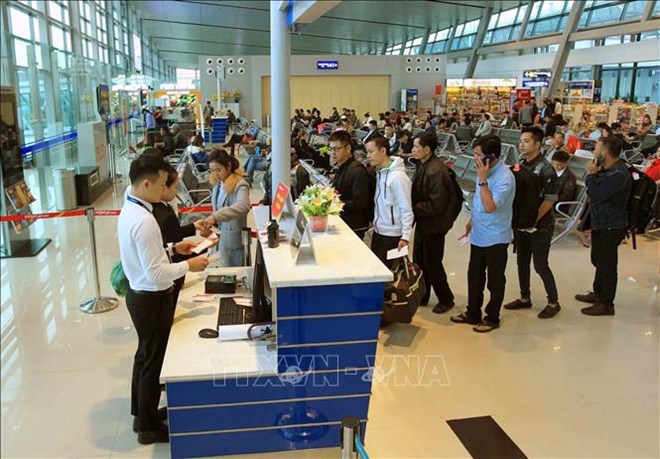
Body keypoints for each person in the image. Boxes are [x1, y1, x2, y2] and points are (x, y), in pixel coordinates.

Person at [118, 154, 209, 445]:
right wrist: (188, 265)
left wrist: (174, 251)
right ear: (145, 183)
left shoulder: (131, 208)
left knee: (144, 357)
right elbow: (157, 274)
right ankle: (148, 428)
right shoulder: (144, 221)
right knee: (152, 363)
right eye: (160, 186)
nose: (163, 193)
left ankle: (142, 414)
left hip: (139, 293)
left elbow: (149, 261)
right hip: (150, 297)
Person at [451, 135, 516, 332]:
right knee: (475, 276)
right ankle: (473, 312)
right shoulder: (484, 172)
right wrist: (472, 221)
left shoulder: (505, 177)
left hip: (496, 236)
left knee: (495, 280)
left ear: (491, 157)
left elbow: (490, 206)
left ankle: (492, 317)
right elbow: (480, 204)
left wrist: (482, 180)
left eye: (478, 155)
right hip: (479, 233)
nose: (474, 159)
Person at [505, 126, 561, 319]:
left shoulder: (546, 169)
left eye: (527, 141)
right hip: (522, 222)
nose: (522, 144)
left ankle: (553, 302)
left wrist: (533, 219)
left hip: (541, 225)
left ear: (537, 144)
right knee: (521, 261)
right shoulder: (520, 163)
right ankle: (524, 297)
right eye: (521, 140)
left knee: (540, 264)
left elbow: (550, 199)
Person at [576, 137, 632, 316]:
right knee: (598, 260)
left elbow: (596, 195)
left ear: (605, 153)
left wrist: (591, 175)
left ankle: (606, 303)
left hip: (612, 225)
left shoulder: (618, 175)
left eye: (597, 149)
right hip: (601, 223)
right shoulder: (607, 170)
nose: (594, 152)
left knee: (607, 265)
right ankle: (598, 294)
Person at [411, 132, 457, 314]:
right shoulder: (425, 165)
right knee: (421, 261)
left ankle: (446, 298)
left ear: (427, 150)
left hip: (434, 225)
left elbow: (437, 203)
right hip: (425, 223)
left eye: (416, 147)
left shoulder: (436, 170)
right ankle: (423, 294)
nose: (413, 150)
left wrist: (414, 208)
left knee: (433, 263)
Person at [152, 165, 210, 306]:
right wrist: (205, 246)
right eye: (175, 187)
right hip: (172, 276)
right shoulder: (165, 216)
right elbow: (175, 252)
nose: (176, 191)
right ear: (163, 187)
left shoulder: (156, 209)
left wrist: (193, 226)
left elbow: (173, 237)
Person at [365, 136, 413, 269]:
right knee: (377, 272)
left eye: (371, 151)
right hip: (379, 231)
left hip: (392, 236)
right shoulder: (380, 173)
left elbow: (406, 209)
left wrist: (405, 237)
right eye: (367, 152)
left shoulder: (398, 177)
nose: (368, 156)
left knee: (389, 276)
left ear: (383, 151)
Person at [200, 149, 250, 267]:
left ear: (228, 166)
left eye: (218, 170)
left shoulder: (240, 184)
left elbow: (243, 205)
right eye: (212, 171)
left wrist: (216, 217)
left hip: (232, 239)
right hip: (219, 239)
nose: (215, 174)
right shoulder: (217, 184)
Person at [329, 130, 370, 239]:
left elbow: (360, 202)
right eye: (331, 149)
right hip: (343, 221)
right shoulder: (342, 167)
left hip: (354, 225)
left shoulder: (357, 171)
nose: (333, 152)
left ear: (348, 148)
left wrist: (335, 203)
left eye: (336, 149)